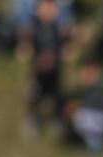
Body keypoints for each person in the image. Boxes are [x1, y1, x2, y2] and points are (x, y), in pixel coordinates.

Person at [18, 0, 74, 134]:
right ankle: (32, 119)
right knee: (34, 95)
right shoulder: (34, 27)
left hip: (55, 72)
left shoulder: (59, 28)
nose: (49, 11)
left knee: (56, 96)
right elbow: (25, 47)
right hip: (38, 72)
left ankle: (57, 119)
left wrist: (69, 46)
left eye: (52, 7)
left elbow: (67, 48)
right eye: (45, 8)